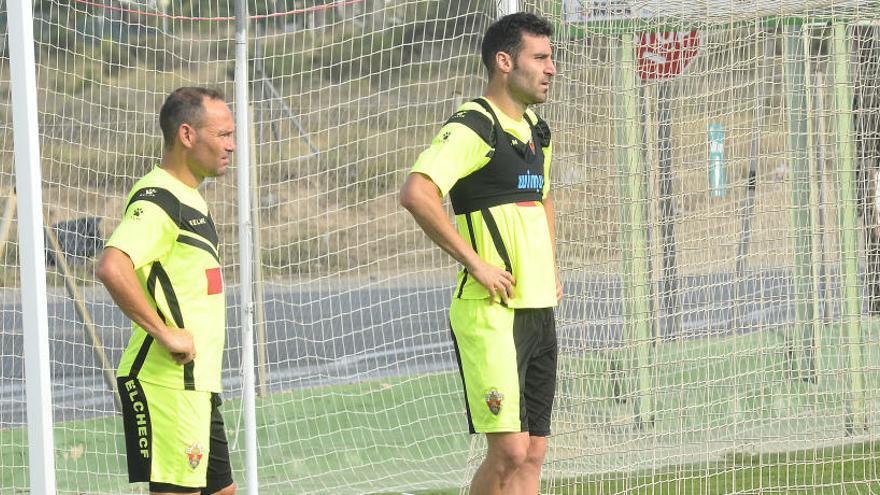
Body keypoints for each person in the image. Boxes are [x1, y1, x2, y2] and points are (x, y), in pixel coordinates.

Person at [399, 12, 560, 495]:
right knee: (509, 450)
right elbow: (417, 193)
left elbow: (544, 196)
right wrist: (475, 262)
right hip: (491, 314)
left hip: (538, 309)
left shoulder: (537, 129)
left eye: (552, 58)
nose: (552, 68)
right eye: (541, 57)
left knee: (533, 452)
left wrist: (551, 264)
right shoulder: (474, 125)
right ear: (504, 61)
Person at [96, 87, 236, 495]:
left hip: (196, 382)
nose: (232, 146)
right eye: (223, 134)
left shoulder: (189, 198)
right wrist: (164, 331)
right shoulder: (157, 200)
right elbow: (112, 265)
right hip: (167, 382)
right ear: (187, 135)